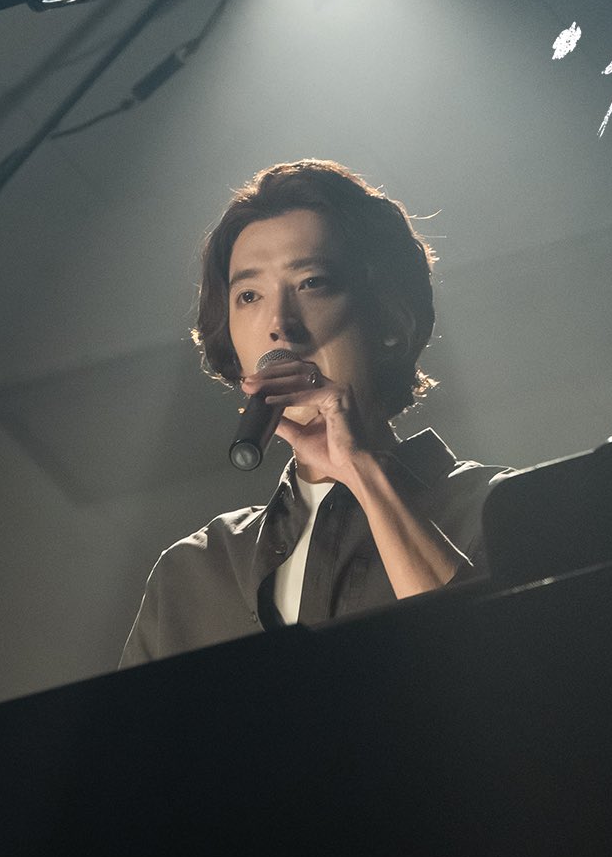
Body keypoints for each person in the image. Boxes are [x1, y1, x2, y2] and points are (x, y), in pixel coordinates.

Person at [120, 160, 509, 666]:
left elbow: (496, 672)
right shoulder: (195, 570)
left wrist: (361, 469)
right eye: (249, 295)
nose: (279, 324)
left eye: (312, 283)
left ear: (391, 320)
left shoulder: (499, 508)